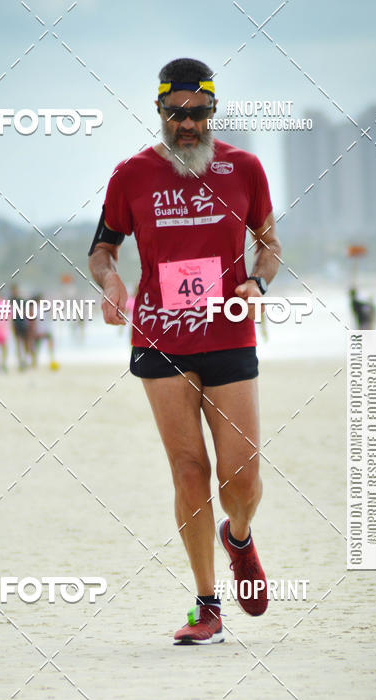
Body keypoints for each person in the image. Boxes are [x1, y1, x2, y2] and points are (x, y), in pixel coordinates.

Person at [88, 58, 281, 644]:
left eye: (198, 113)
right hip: (159, 339)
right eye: (177, 114)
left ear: (213, 112)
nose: (187, 124)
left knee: (241, 479)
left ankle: (239, 538)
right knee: (188, 470)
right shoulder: (132, 175)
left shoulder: (244, 168)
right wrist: (112, 282)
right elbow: (102, 249)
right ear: (160, 112)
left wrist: (257, 282)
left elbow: (269, 244)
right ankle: (207, 605)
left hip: (228, 334)